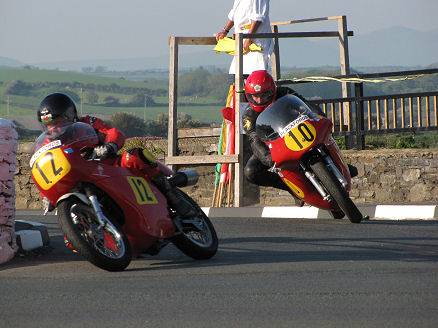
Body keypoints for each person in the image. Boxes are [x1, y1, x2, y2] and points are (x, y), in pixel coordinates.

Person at [37, 93, 195, 218]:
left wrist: (110, 145)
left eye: (57, 122)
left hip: (109, 166)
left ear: (69, 114)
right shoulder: (47, 142)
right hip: (80, 175)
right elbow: (45, 167)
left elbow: (112, 132)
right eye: (49, 125)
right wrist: (46, 194)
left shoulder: (87, 123)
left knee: (133, 156)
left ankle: (171, 193)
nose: (54, 128)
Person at [241, 70, 324, 201]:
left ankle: (339, 165)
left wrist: (320, 117)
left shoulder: (285, 93)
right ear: (249, 96)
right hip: (274, 145)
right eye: (255, 96)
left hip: (297, 132)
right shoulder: (248, 116)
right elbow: (254, 140)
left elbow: (307, 106)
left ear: (272, 90)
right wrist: (268, 158)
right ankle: (293, 189)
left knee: (324, 135)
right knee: (250, 171)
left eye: (264, 95)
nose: (259, 99)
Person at [216, 0, 273, 79]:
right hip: (241, 40)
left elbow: (258, 17)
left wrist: (249, 38)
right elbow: (234, 13)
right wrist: (225, 30)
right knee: (238, 75)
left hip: (256, 41)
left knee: (257, 75)